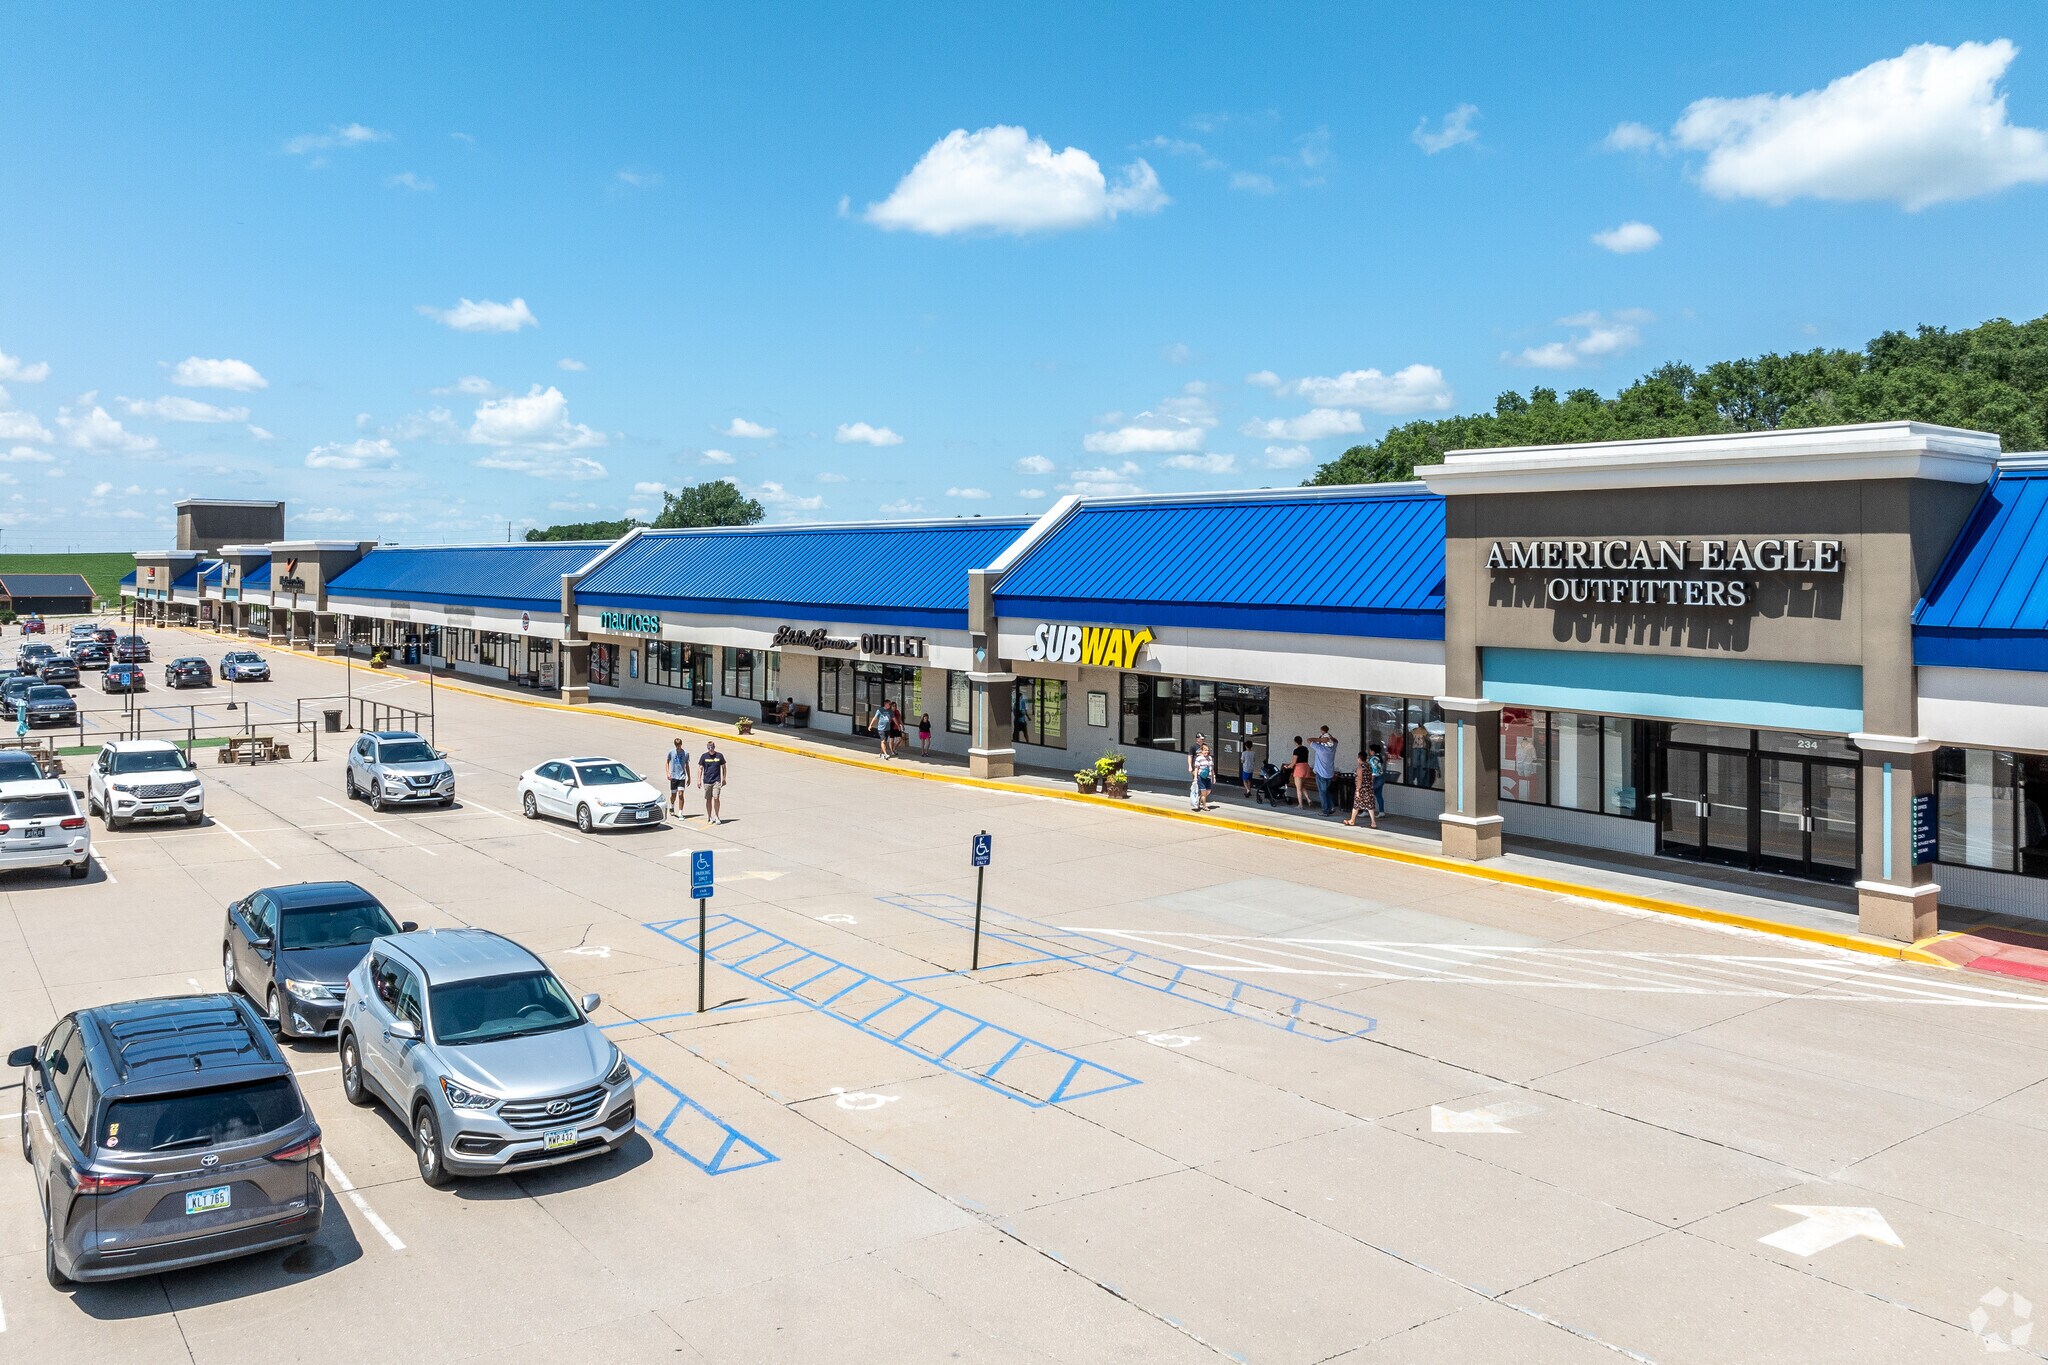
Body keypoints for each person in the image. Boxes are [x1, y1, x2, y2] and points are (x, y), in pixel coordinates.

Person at [1344, 749, 1378, 829]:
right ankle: (1373, 822)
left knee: (1356, 805)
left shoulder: (1360, 768)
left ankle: (1352, 820)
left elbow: (1359, 779)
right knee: (1370, 805)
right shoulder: (1369, 766)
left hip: (1362, 788)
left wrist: (1357, 790)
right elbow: (1371, 776)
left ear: (1359, 758)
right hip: (1369, 787)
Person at [1310, 726, 1339, 816]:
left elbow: (1309, 740)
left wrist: (1321, 739)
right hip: (1330, 774)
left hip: (1321, 774)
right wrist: (1329, 737)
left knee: (1322, 793)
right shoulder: (1333, 748)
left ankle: (1325, 810)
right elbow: (1336, 741)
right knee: (1326, 791)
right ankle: (1331, 806)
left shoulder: (1320, 748)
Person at [699, 741, 728, 824]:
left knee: (716, 798)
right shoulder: (704, 756)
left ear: (714, 747)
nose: (710, 749)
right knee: (708, 799)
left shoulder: (719, 756)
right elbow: (700, 768)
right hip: (707, 781)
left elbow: (724, 767)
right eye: (709, 748)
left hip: (716, 781)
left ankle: (717, 816)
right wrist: (698, 780)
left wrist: (724, 778)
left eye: (711, 747)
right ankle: (709, 817)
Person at [665, 737, 692, 818]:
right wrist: (668, 773)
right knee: (673, 795)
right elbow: (667, 763)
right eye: (677, 746)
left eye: (679, 746)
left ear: (681, 744)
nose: (678, 747)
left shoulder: (686, 753)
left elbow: (687, 765)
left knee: (680, 794)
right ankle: (672, 806)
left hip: (682, 777)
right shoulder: (671, 752)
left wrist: (689, 777)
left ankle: (680, 812)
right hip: (673, 777)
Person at [1189, 736, 1216, 811]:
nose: (1206, 752)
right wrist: (1195, 778)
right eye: (1204, 750)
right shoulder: (1199, 758)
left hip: (1208, 777)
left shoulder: (1210, 758)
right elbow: (1197, 768)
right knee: (1204, 793)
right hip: (1201, 777)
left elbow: (1212, 768)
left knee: (1208, 791)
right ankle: (1204, 806)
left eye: (1207, 750)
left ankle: (1198, 800)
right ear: (1201, 751)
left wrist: (1214, 777)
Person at [1289, 735, 1311, 808]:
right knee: (1302, 785)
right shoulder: (1305, 749)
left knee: (1298, 788)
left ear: (1295, 742)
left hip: (1299, 768)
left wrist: (1288, 766)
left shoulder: (1296, 750)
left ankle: (1300, 805)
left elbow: (1294, 762)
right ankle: (1308, 799)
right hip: (1306, 767)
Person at [1369, 740, 1389, 819]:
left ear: (1373, 751)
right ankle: (1381, 811)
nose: (1370, 752)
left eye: (1370, 750)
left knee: (1369, 794)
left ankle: (1366, 811)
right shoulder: (1379, 757)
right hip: (1382, 777)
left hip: (1376, 778)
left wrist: (1372, 779)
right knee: (1379, 795)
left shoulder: (1373, 759)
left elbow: (1374, 769)